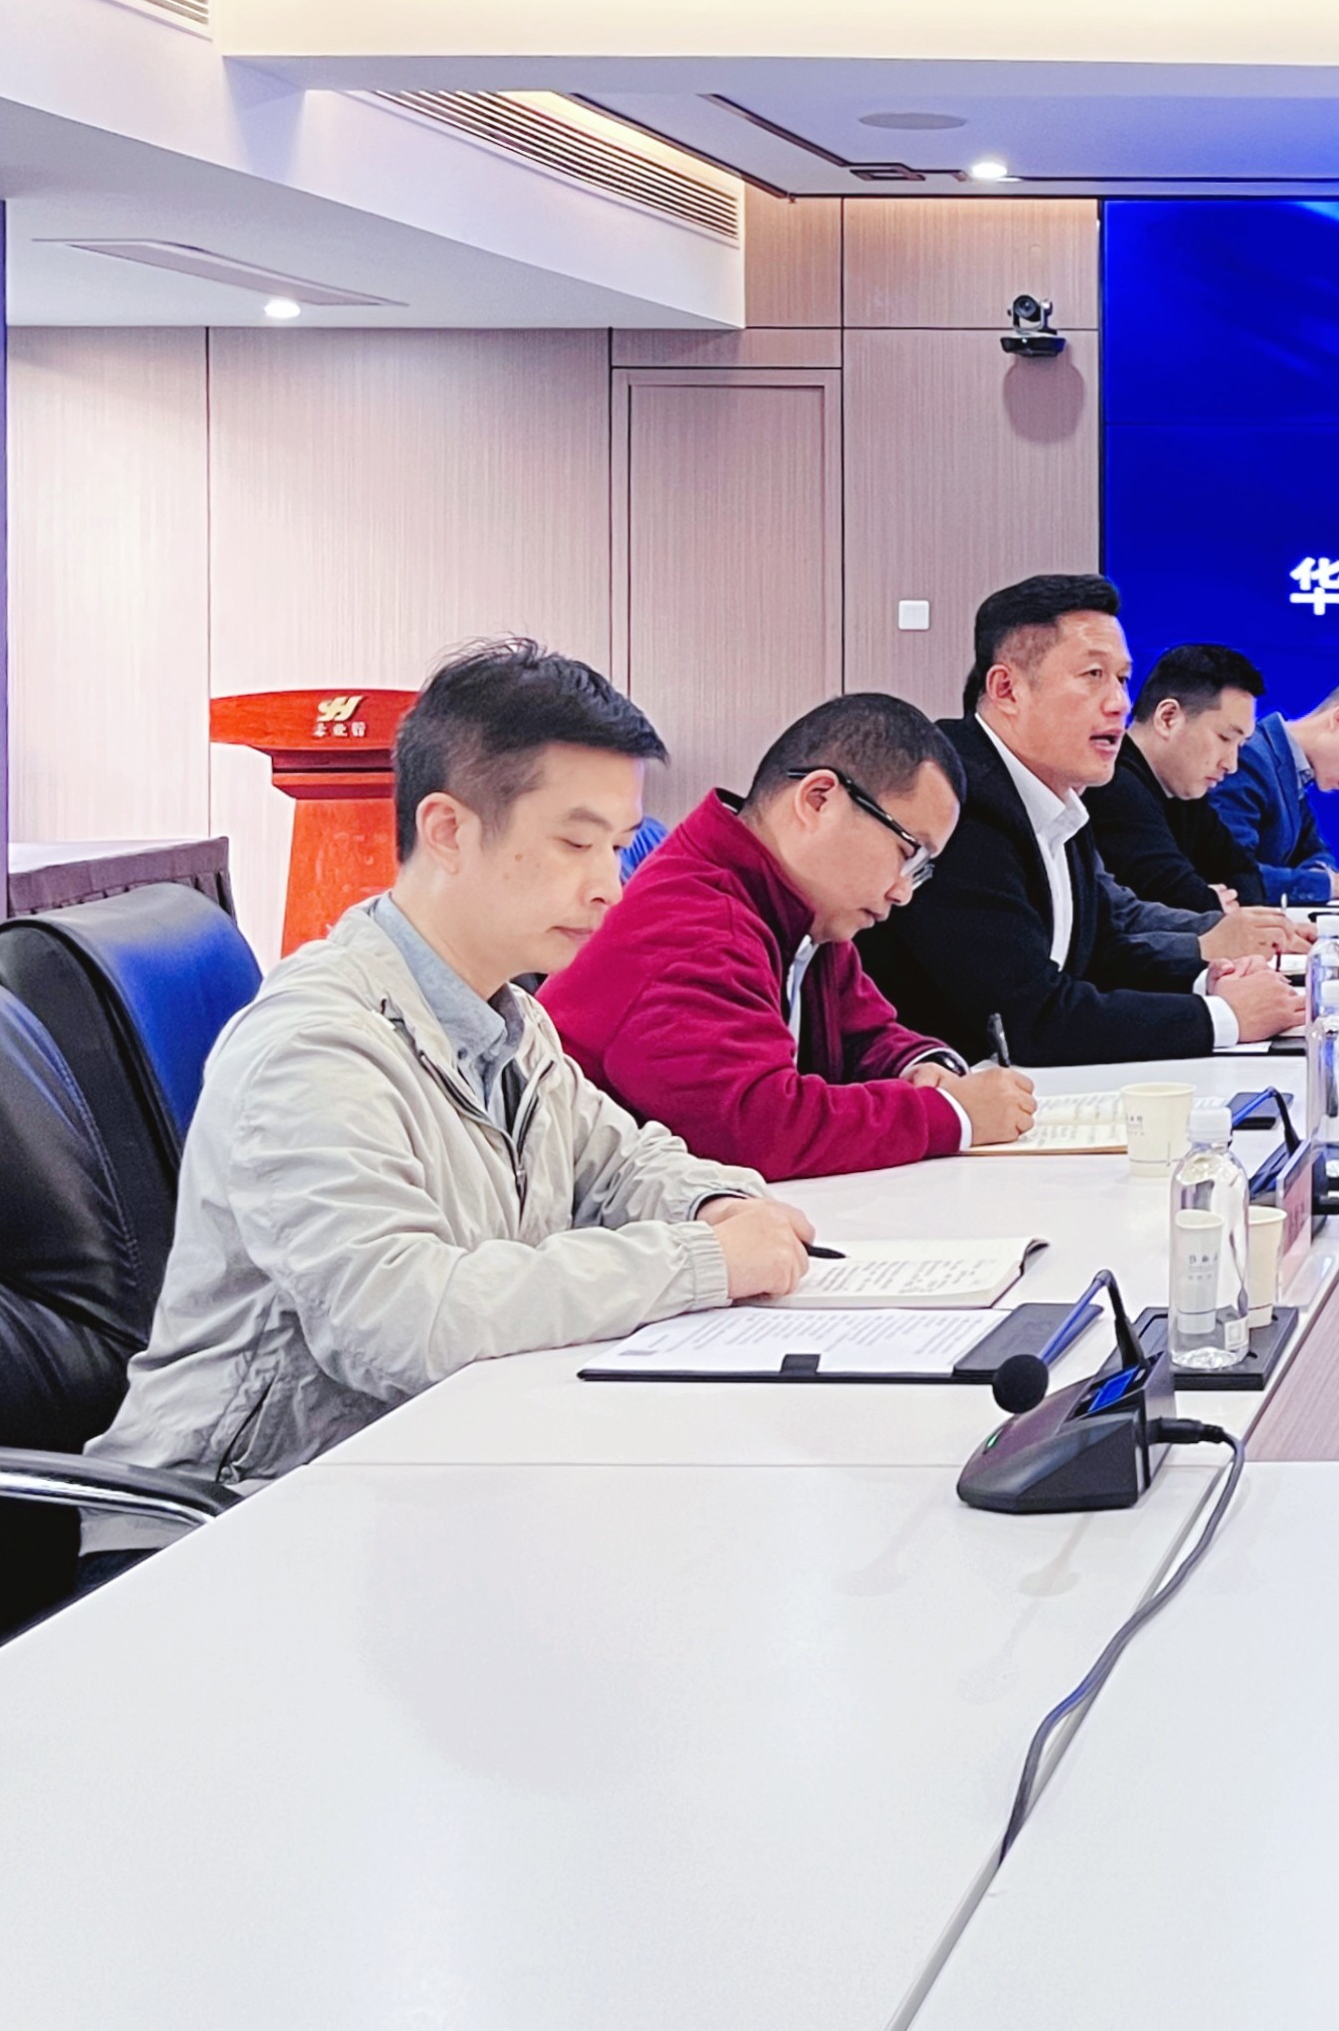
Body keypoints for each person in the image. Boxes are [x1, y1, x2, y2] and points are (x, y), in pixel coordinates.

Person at [85, 641, 807, 1515]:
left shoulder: (509, 1016)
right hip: (231, 1515)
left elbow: (620, 1162)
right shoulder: (315, 1046)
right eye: (577, 843)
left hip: (420, 1474)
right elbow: (404, 1323)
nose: (609, 888)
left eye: (617, 847)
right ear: (448, 831)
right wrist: (699, 1260)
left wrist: (715, 1206)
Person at [540, 692, 1041, 1181]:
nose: (903, 891)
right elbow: (756, 1130)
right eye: (906, 853)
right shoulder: (695, 922)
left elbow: (867, 1036)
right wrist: (952, 1115)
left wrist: (923, 1067)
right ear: (818, 800)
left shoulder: (801, 912)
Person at [861, 576, 1314, 1064]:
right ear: (1007, 689)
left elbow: (1099, 954)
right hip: (950, 1091)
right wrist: (1221, 1018)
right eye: (1093, 675)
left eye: (1122, 678)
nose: (1120, 703)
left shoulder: (1059, 794)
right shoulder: (958, 799)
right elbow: (1028, 1020)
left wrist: (1207, 979)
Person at [1089, 643, 1279, 913]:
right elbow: (1175, 898)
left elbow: (1244, 874)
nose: (1231, 764)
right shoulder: (1111, 784)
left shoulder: (1184, 792)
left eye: (1240, 746)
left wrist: (1214, 902)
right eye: (1225, 738)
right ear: (1168, 718)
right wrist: (1211, 901)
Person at [1211, 679, 1339, 904]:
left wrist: (1321, 878)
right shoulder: (1248, 759)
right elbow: (1232, 876)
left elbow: (1318, 853)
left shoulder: (1294, 771)